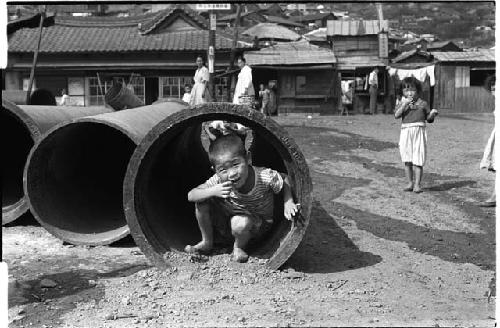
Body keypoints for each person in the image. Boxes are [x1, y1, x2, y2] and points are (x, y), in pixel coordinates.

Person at [185, 134, 300, 263]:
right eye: (223, 170)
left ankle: (238, 247)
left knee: (239, 222)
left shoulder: (264, 176)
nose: (232, 173)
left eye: (235, 164)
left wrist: (288, 201)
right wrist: (212, 191)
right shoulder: (219, 181)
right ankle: (207, 242)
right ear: (215, 171)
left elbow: (284, 178)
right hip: (229, 223)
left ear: (248, 159)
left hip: (256, 226)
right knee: (201, 201)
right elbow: (192, 195)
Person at [394, 76, 438, 193]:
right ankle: (409, 183)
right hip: (406, 131)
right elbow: (396, 115)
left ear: (417, 90)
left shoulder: (423, 103)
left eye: (412, 90)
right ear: (402, 92)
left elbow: (428, 119)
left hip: (419, 131)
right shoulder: (402, 103)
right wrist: (404, 105)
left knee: (418, 158)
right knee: (407, 158)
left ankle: (417, 185)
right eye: (406, 90)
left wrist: (432, 114)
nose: (409, 93)